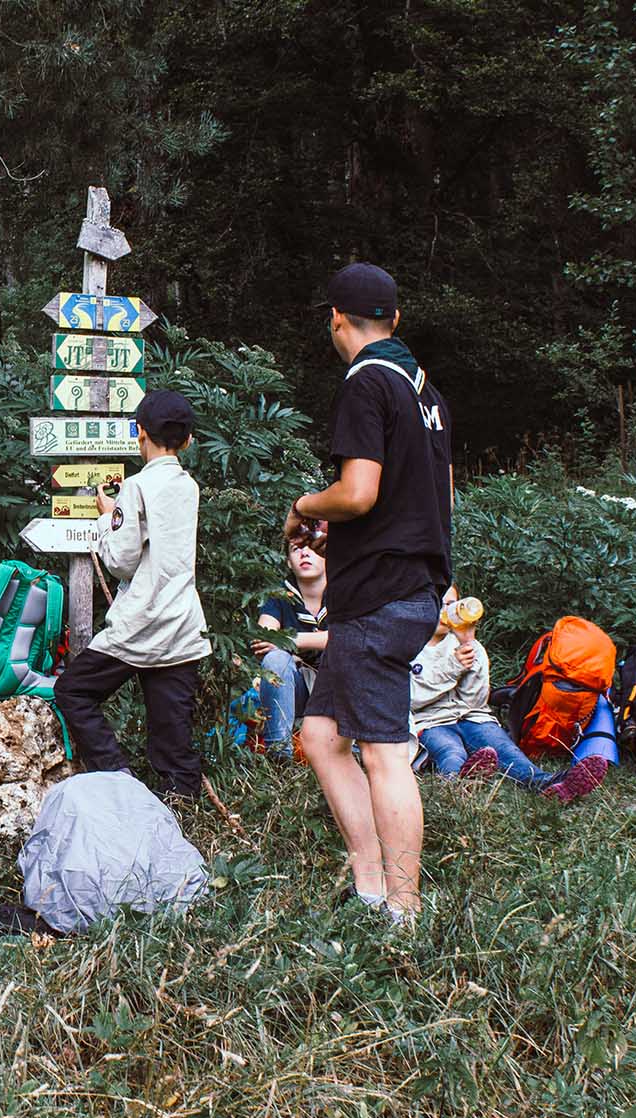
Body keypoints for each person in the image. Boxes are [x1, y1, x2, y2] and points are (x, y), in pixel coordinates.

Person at [284, 262, 453, 923]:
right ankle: (370, 880)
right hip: (415, 585)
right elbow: (438, 495)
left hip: (379, 592)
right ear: (395, 319)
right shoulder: (425, 389)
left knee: (384, 752)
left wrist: (305, 503)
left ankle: (404, 911)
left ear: (336, 319)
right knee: (321, 735)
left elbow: (357, 493)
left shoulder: (365, 381)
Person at [53, 390, 213, 800]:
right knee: (173, 739)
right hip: (182, 626)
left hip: (139, 624)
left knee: (73, 691)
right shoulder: (189, 486)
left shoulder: (137, 486)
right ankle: (180, 806)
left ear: (140, 432)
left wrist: (107, 519)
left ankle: (117, 776)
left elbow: (121, 562)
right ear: (188, 440)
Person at [412, 591, 610, 802]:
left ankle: (549, 784)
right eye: (438, 603)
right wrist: (453, 667)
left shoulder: (462, 644)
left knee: (506, 750)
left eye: (451, 604)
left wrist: (469, 644)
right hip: (431, 722)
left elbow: (474, 701)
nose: (445, 611)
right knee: (451, 751)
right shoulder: (408, 647)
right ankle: (457, 786)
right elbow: (413, 699)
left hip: (472, 717)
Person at [251, 542, 328, 762]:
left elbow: (349, 638)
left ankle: (354, 752)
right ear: (288, 562)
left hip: (339, 689)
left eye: (312, 548)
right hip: (298, 689)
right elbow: (263, 638)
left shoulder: (344, 591)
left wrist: (289, 641)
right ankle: (279, 755)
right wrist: (315, 641)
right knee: (276, 659)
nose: (304, 553)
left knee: (349, 656)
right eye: (296, 549)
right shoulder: (280, 595)